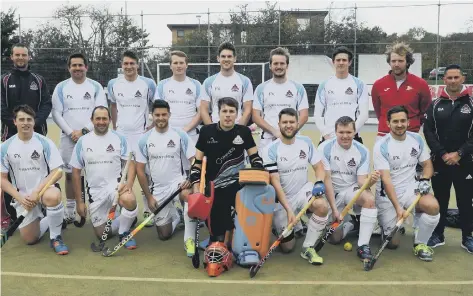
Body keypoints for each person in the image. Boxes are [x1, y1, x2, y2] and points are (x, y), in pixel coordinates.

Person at [190, 97, 263, 247]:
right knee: (219, 240)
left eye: (231, 111)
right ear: (218, 113)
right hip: (213, 188)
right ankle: (221, 233)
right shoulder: (206, 131)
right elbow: (197, 164)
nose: (228, 115)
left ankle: (235, 232)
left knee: (237, 239)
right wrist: (196, 186)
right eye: (224, 111)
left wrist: (259, 171)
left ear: (237, 114)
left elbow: (255, 158)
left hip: (239, 187)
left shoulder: (243, 132)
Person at [373, 106, 440, 262]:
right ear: (388, 123)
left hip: (411, 188)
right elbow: (387, 180)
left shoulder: (416, 139)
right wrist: (398, 208)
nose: (399, 124)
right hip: (388, 195)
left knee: (433, 206)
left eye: (403, 120)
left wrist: (424, 180)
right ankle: (385, 226)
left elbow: (427, 165)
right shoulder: (381, 145)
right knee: (393, 244)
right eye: (395, 121)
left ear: (408, 122)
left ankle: (420, 243)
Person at [262, 108, 328, 265]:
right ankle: (287, 225)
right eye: (285, 122)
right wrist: (289, 210)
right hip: (281, 200)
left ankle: (308, 247)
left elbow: (319, 167)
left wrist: (319, 182)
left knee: (322, 206)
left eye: (292, 122)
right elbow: (275, 182)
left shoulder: (306, 142)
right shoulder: (270, 150)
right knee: (287, 248)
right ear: (279, 124)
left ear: (298, 123)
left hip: (302, 191)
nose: (288, 125)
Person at [1, 105, 68, 254]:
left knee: (53, 196)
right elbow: (2, 179)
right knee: (30, 239)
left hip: (44, 191)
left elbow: (57, 172)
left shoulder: (45, 142)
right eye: (22, 119)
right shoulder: (5, 147)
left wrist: (37, 192)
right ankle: (53, 220)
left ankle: (56, 237)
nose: (25, 123)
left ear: (34, 122)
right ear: (15, 122)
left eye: (29, 119)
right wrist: (20, 197)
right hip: (23, 197)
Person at [70, 106, 139, 250]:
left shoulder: (119, 138)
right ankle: (127, 219)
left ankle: (124, 232)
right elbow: (76, 173)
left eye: (104, 118)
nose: (101, 122)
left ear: (110, 120)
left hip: (115, 188)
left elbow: (130, 163)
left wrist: (129, 184)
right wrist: (79, 202)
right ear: (92, 120)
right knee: (102, 234)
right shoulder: (82, 142)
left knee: (129, 200)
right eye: (98, 118)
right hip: (95, 193)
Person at [51, 53, 107, 224]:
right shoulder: (61, 87)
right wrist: (71, 132)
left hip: (92, 137)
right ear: (69, 68)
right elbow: (56, 113)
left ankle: (96, 205)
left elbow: (102, 110)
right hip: (69, 138)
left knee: (95, 172)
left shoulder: (95, 86)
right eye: (74, 65)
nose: (77, 68)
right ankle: (69, 210)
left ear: (86, 67)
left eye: (80, 65)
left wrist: (83, 131)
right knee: (69, 175)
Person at [423, 64, 473, 254]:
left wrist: (459, 153)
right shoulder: (435, 105)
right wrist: (444, 154)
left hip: (466, 161)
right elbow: (428, 132)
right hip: (440, 161)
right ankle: (438, 234)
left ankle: (467, 236)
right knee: (440, 199)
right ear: (444, 80)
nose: (452, 81)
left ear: (463, 78)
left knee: (465, 201)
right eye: (449, 78)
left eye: (456, 77)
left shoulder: (471, 104)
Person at [1, 43, 52, 228]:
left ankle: (51, 212)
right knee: (10, 175)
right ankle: (13, 214)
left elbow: (47, 103)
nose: (21, 57)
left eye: (24, 54)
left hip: (37, 132)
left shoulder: (38, 80)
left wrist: (34, 123)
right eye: (17, 55)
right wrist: (17, 124)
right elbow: (1, 107)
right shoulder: (4, 80)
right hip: (11, 134)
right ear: (12, 57)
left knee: (44, 171)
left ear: (29, 57)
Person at [135, 100, 196, 255]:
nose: (161, 118)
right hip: (158, 189)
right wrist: (148, 197)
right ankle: (177, 217)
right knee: (164, 235)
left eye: (164, 114)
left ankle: (189, 240)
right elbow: (140, 171)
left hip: (178, 183)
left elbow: (194, 159)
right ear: (152, 116)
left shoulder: (180, 135)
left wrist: (190, 177)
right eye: (157, 115)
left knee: (187, 194)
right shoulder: (144, 139)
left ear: (169, 115)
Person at [318, 116, 380, 260]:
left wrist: (371, 181)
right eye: (341, 132)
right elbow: (326, 179)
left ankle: (363, 245)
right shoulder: (325, 147)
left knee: (369, 199)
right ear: (335, 132)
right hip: (332, 191)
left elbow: (361, 182)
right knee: (335, 239)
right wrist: (334, 210)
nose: (345, 136)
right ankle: (351, 223)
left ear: (354, 132)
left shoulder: (362, 151)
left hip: (351, 189)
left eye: (349, 132)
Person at [107, 50, 157, 226]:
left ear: (138, 65)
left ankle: (147, 208)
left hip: (141, 136)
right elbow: (113, 105)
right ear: (122, 65)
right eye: (125, 63)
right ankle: (124, 209)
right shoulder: (113, 84)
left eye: (132, 63)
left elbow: (155, 105)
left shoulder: (148, 83)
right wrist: (114, 127)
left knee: (146, 173)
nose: (128, 66)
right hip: (121, 136)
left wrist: (150, 127)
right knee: (121, 174)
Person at [253, 47, 309, 156]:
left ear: (287, 65)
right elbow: (256, 116)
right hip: (268, 140)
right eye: (276, 63)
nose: (279, 66)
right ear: (270, 66)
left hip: (292, 139)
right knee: (268, 173)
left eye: (282, 63)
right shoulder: (261, 88)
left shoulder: (298, 88)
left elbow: (304, 115)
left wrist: (289, 132)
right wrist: (275, 132)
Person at [371, 42, 431, 142]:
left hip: (411, 134)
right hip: (384, 135)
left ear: (407, 62)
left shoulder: (421, 84)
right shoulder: (378, 85)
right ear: (389, 62)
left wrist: (413, 125)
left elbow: (425, 110)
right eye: (393, 61)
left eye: (400, 61)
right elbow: (378, 111)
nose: (396, 64)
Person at [314, 46, 369, 144]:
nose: (341, 62)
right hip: (328, 137)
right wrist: (326, 134)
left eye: (344, 60)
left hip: (352, 137)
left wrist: (350, 133)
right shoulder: (324, 85)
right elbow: (317, 114)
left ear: (350, 62)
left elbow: (364, 114)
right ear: (333, 62)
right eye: (338, 60)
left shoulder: (360, 84)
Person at [200, 42, 253, 126]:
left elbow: (248, 110)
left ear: (235, 58)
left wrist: (239, 130)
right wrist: (211, 130)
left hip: (236, 128)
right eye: (223, 56)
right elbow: (203, 110)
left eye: (229, 56)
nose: (226, 59)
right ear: (218, 58)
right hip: (215, 128)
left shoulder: (245, 81)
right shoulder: (208, 82)